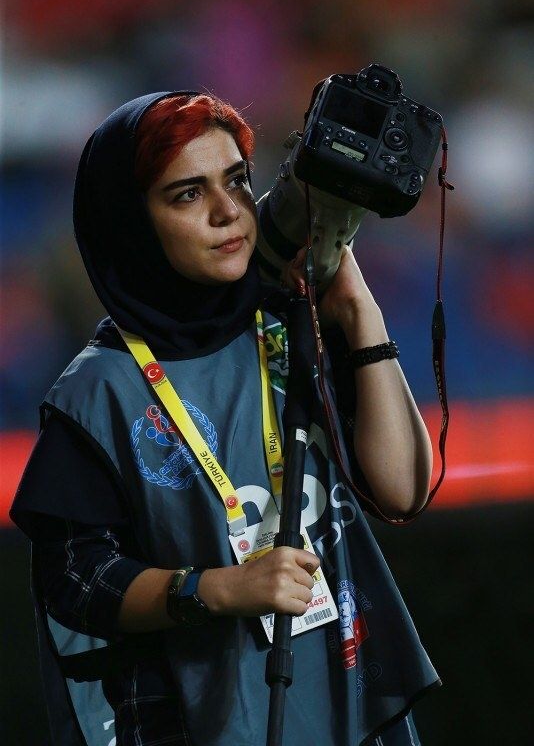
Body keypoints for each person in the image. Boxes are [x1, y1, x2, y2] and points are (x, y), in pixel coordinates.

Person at [11, 91, 440, 746]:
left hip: (350, 711)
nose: (227, 212)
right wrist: (220, 588)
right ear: (129, 223)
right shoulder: (98, 389)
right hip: (192, 723)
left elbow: (403, 490)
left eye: (237, 180)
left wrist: (355, 308)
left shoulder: (288, 318)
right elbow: (76, 581)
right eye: (186, 194)